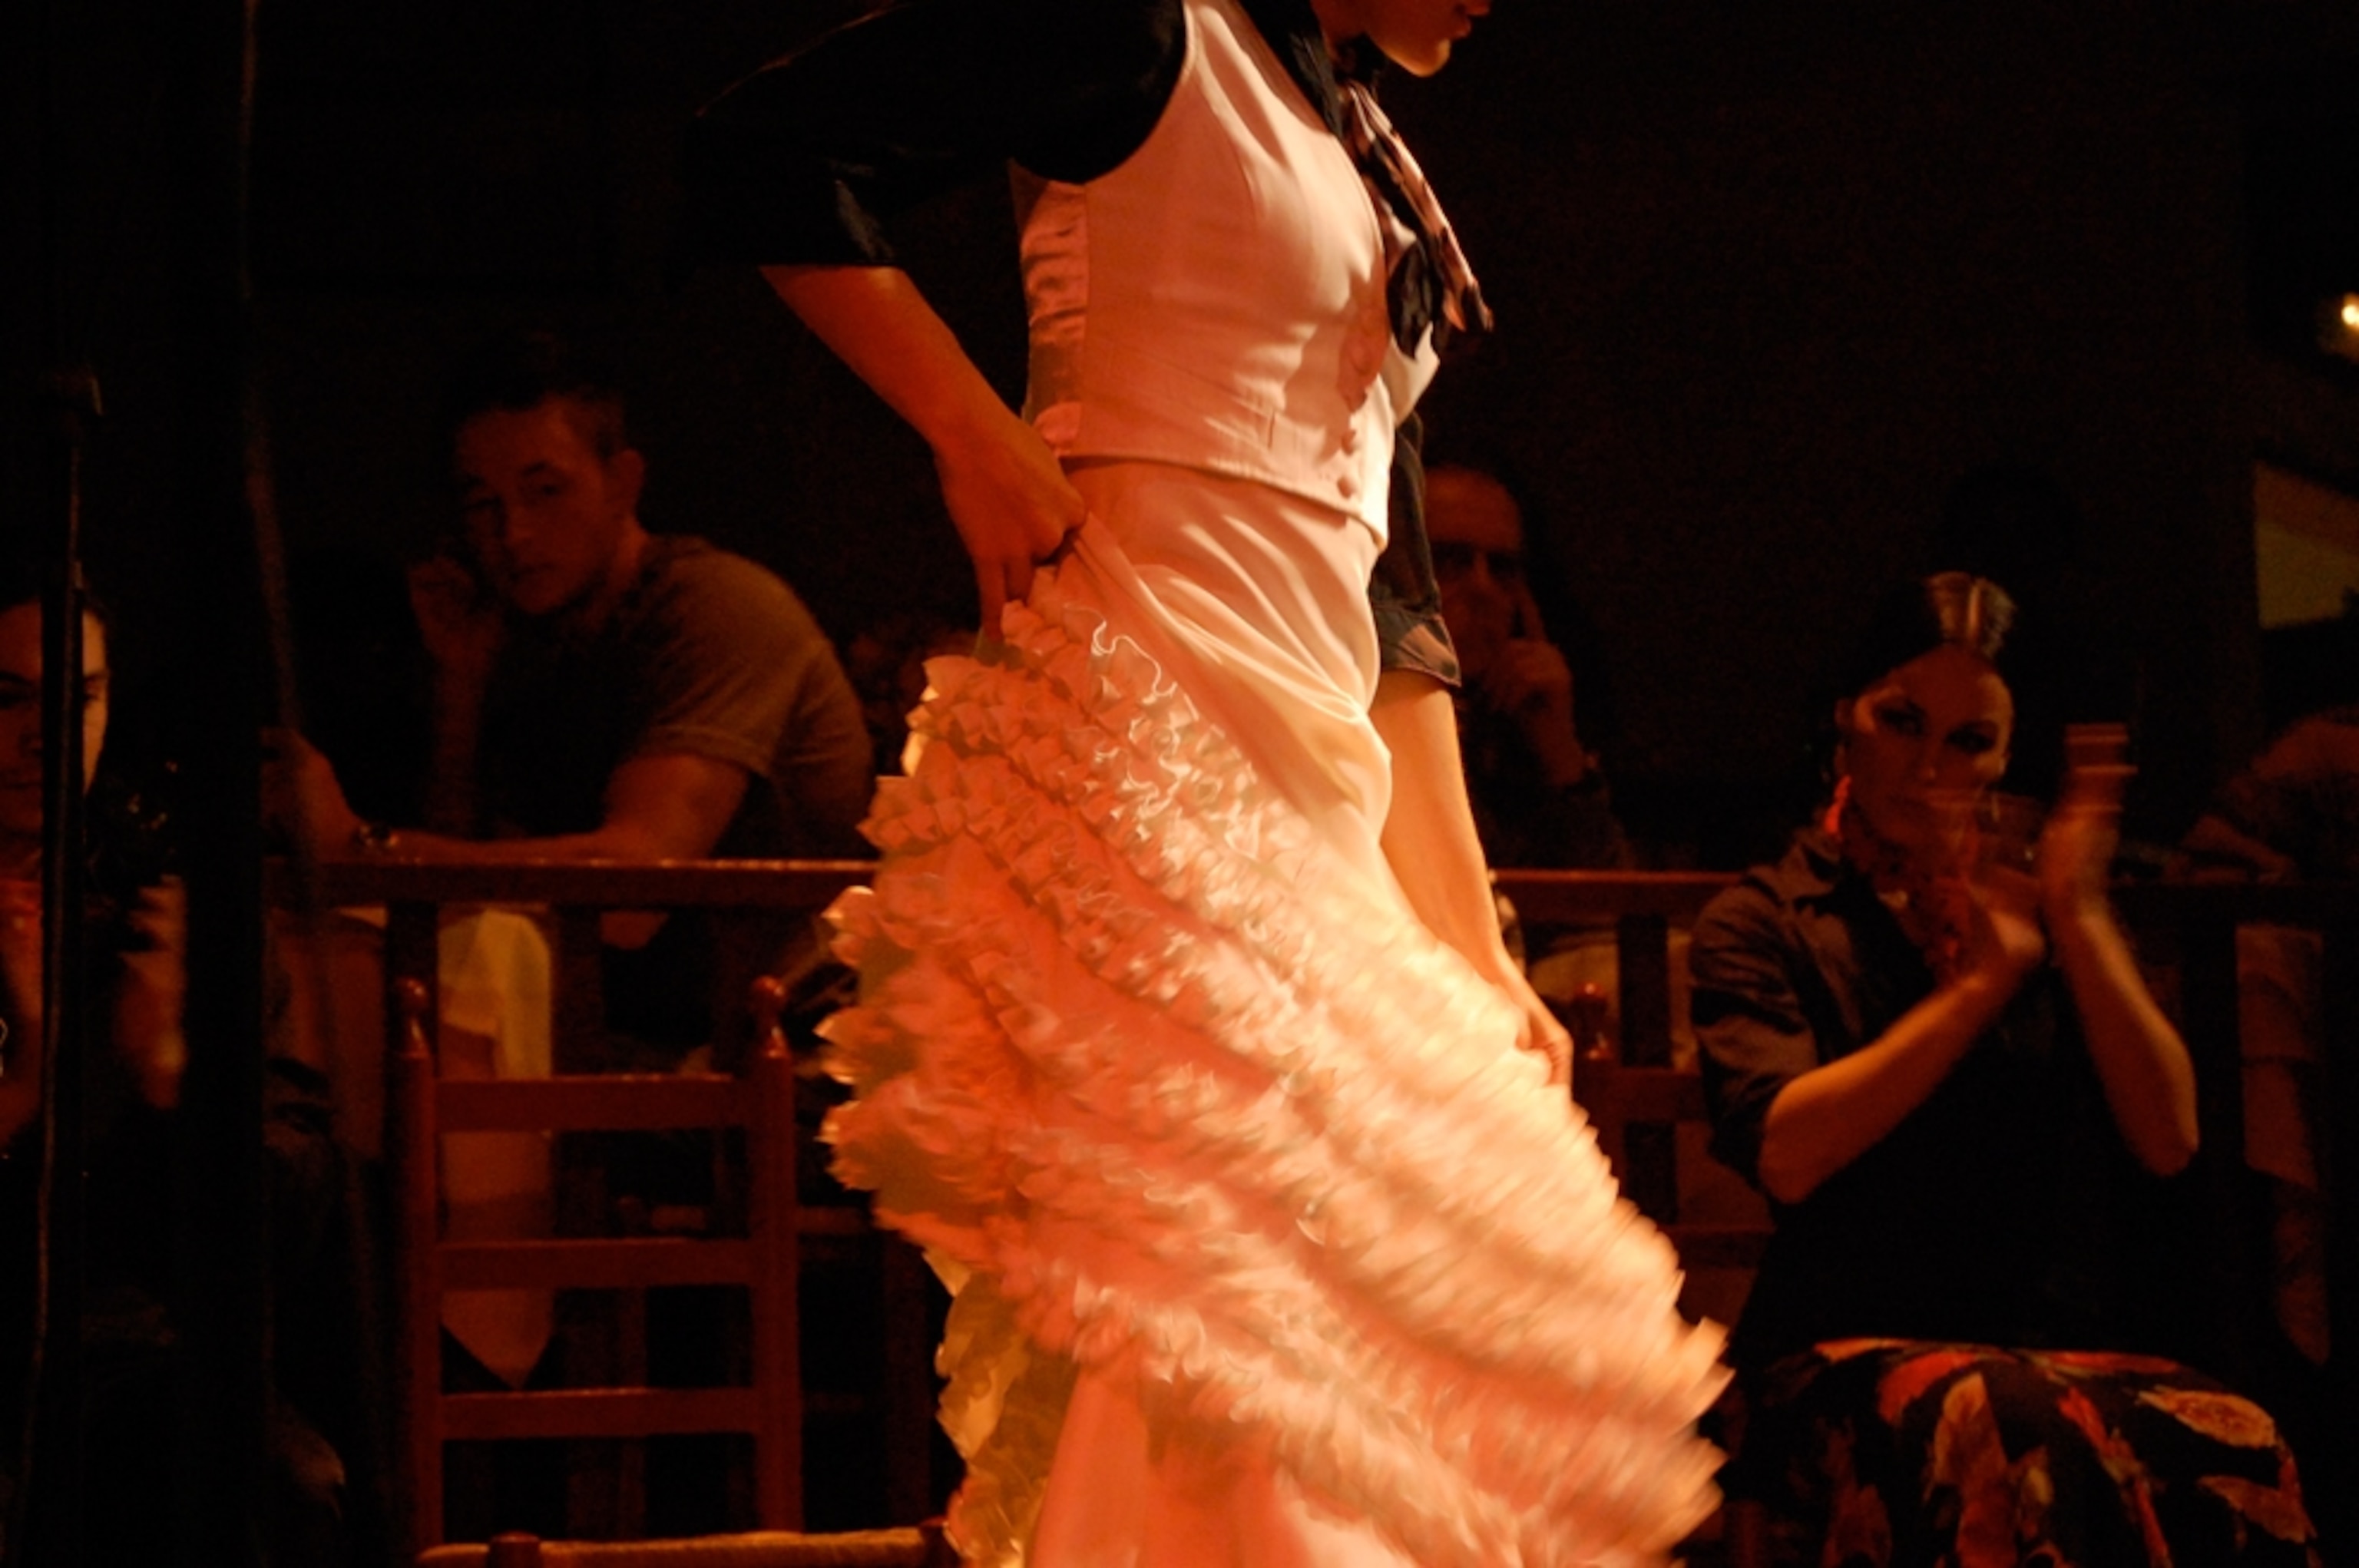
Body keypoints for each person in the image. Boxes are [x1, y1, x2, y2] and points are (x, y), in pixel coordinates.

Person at [681, 2, 1727, 1563]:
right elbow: (763, 152)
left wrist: (1470, 940)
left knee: (1342, 1324)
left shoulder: (1357, 133)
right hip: (1143, 728)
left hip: (1308, 793)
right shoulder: (1144, 28)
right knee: (1214, 1306)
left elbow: (1396, 601)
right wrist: (970, 434)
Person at [1690, 572, 2318, 1566]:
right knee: (2002, 1419)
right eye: (1902, 720)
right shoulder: (1769, 918)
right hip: (1835, 1350)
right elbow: (1788, 1152)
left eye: (1968, 740)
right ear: (1844, 719)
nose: (1928, 764)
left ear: (2007, 759)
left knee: (2229, 1429)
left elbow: (2171, 1136)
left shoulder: (2035, 914)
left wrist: (2079, 914)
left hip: (2041, 1344)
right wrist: (1978, 989)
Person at [276, 332, 874, 1054]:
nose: (514, 534)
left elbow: (634, 889)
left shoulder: (715, 607)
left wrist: (359, 847)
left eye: (545, 490)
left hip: (779, 1057)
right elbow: (476, 902)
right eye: (482, 505)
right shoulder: (530, 631)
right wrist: (461, 689)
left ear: (622, 482)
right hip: (614, 1036)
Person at [0, 557, 357, 1564]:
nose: (47, 736)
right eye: (9, 698)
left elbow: (297, 1210)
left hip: (114, 1352)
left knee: (281, 1479)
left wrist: (172, 1075)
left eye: (81, 697)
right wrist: (26, 1070)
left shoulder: (160, 897)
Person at [1422, 461, 1626, 870]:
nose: (1483, 588)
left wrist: (1560, 755)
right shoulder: (1350, 713)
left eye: (1501, 568)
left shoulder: (1511, 725)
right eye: (1450, 561)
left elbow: (1605, 909)